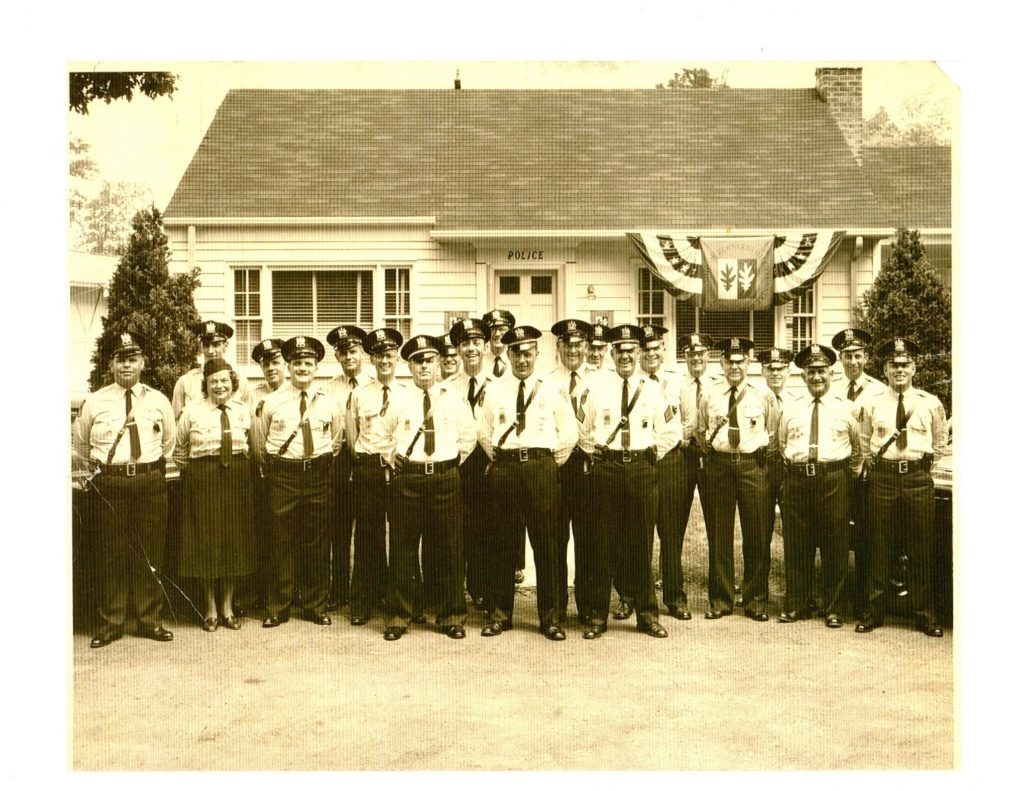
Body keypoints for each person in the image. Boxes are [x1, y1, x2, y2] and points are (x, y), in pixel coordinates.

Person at [74, 331, 176, 648]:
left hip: (148, 481)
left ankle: (149, 620)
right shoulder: (95, 401)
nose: (127, 365)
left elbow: (169, 443)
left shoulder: (158, 400)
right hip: (110, 483)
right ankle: (112, 622)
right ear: (111, 364)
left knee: (150, 552)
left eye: (133, 359)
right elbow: (81, 445)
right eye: (121, 360)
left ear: (143, 363)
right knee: (110, 553)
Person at [476, 325, 578, 640]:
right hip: (505, 470)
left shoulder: (551, 391)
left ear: (537, 353)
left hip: (541, 470)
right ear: (508, 354)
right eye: (516, 352)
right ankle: (499, 615)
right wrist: (507, 459)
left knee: (547, 544)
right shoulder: (493, 390)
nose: (522, 358)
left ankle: (551, 618)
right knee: (501, 544)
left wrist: (544, 463)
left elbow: (569, 435)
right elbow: (484, 432)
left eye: (528, 352)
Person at [578, 324, 675, 639]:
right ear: (611, 353)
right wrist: (603, 456)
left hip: (641, 471)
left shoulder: (652, 389)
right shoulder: (596, 389)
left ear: (639, 353)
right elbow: (583, 430)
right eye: (619, 350)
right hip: (607, 471)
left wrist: (646, 456)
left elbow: (671, 431)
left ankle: (647, 615)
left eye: (631, 350)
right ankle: (597, 616)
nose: (625, 356)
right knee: (601, 544)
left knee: (641, 544)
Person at [383, 335, 477, 641]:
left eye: (430, 360)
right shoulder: (397, 398)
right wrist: (398, 463)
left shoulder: (452, 397)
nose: (424, 366)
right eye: (418, 361)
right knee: (403, 548)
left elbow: (468, 437)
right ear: (409, 366)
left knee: (449, 547)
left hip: (445, 478)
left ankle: (450, 615)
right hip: (408, 480)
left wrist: (444, 465)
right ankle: (401, 614)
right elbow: (383, 437)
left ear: (439, 363)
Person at [856, 338, 947, 638]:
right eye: (893, 364)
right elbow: (865, 442)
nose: (899, 369)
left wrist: (919, 471)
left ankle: (924, 614)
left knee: (921, 547)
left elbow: (939, 445)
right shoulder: (872, 403)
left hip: (917, 480)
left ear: (914, 367)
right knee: (879, 545)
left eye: (904, 364)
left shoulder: (930, 403)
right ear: (884, 368)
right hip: (883, 479)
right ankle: (873, 612)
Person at [256, 335, 342, 628]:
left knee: (316, 541)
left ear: (317, 367)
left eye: (308, 363)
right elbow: (260, 442)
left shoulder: (329, 402)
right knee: (280, 540)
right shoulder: (272, 401)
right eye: (296, 363)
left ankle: (315, 605)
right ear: (288, 367)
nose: (302, 368)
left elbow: (337, 439)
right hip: (284, 474)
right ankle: (279, 605)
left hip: (317, 473)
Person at [776, 343, 863, 628]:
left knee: (834, 544)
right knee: (797, 543)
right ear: (803, 376)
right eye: (811, 372)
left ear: (831, 373)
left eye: (822, 371)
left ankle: (833, 607)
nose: (816, 377)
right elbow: (781, 445)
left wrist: (841, 476)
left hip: (834, 480)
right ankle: (797, 604)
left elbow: (857, 450)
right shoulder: (790, 409)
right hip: (799, 479)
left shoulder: (847, 408)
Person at [697, 337, 778, 622]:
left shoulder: (763, 395)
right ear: (721, 362)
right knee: (719, 534)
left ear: (749, 362)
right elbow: (700, 429)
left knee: (756, 535)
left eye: (740, 361)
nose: (735, 366)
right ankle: (721, 600)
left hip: (752, 466)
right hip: (719, 467)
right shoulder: (709, 394)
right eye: (729, 361)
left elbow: (774, 433)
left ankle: (755, 601)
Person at [174, 357, 256, 632]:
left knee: (234, 541)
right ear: (205, 385)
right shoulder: (192, 411)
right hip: (203, 479)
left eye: (223, 381)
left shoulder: (244, 410)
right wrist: (199, 475)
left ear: (232, 383)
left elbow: (252, 446)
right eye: (213, 382)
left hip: (236, 478)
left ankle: (228, 607)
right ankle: (209, 608)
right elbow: (180, 450)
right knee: (205, 543)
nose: (219, 386)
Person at [345, 327, 405, 626]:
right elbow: (351, 433)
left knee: (400, 538)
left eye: (390, 355)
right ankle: (362, 602)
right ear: (371, 359)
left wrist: (393, 460)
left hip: (397, 470)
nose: (385, 361)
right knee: (368, 536)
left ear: (398, 358)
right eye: (379, 355)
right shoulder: (358, 394)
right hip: (368, 467)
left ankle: (396, 599)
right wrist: (365, 461)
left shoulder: (407, 394)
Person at [830, 328, 890, 618]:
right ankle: (835, 598)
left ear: (866, 357)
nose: (852, 361)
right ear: (840, 359)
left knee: (868, 535)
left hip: (872, 473)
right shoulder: (833, 388)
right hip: (842, 471)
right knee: (840, 533)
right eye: (846, 356)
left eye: (857, 355)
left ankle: (866, 601)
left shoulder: (879, 390)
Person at [635, 324, 686, 619]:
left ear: (664, 350)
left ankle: (675, 597)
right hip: (640, 464)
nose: (651, 354)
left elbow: (687, 421)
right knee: (637, 534)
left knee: (670, 533)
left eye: (656, 349)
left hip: (668, 463)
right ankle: (631, 596)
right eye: (646, 349)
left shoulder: (677, 381)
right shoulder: (630, 381)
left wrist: (660, 448)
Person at [548, 318, 594, 629]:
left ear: (587, 348)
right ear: (558, 348)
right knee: (554, 538)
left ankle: (589, 607)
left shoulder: (602, 381)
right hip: (556, 468)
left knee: (589, 538)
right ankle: (555, 610)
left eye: (578, 345)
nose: (572, 350)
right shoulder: (546, 383)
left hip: (591, 468)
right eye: (567, 345)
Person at [324, 325, 373, 613]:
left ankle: (367, 591)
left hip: (365, 462)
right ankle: (339, 589)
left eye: (353, 351)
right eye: (343, 353)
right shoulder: (329, 388)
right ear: (337, 356)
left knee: (368, 532)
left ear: (362, 353)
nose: (349, 357)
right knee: (338, 531)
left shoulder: (372, 385)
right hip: (339, 464)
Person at [449, 317, 493, 610]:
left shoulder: (499, 384)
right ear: (458, 349)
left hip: (490, 462)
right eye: (465, 344)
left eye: (476, 343)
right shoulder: (448, 387)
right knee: (456, 528)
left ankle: (483, 589)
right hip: (458, 463)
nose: (471, 349)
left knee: (488, 528)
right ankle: (453, 592)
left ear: (486, 346)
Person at [241, 338, 286, 615]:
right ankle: (259, 594)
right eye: (266, 363)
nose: (271, 368)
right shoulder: (253, 396)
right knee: (260, 535)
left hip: (285, 476)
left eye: (276, 362)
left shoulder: (294, 394)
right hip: (257, 475)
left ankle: (286, 592)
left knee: (285, 537)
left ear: (286, 365)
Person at [756, 347, 795, 547]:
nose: (776, 373)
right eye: (770, 369)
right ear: (763, 371)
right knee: (760, 526)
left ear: (788, 371)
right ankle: (758, 577)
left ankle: (794, 573)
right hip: (761, 467)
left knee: (792, 522)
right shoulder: (754, 399)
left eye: (781, 368)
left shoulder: (797, 401)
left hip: (788, 469)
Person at [172, 320, 247, 418]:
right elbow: (177, 423)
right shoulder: (185, 382)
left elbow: (248, 418)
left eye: (216, 345)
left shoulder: (240, 381)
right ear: (201, 347)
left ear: (225, 346)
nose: (211, 351)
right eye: (206, 345)